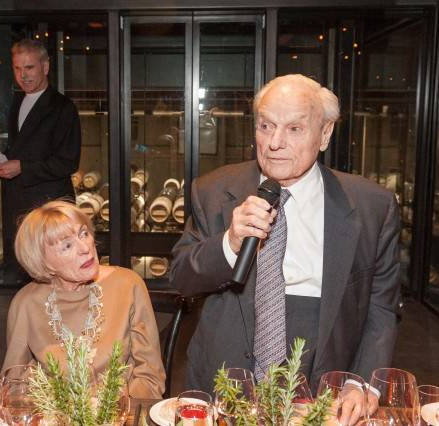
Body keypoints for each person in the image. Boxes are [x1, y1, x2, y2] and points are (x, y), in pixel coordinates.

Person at [170, 74, 400, 422]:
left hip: (324, 389)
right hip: (225, 385)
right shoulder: (214, 191)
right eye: (266, 126)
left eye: (294, 129)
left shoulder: (372, 207)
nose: (275, 142)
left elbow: (381, 308)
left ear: (325, 134)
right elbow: (182, 278)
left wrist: (363, 384)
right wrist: (229, 244)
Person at [2, 200, 165, 399]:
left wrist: (110, 413)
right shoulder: (26, 303)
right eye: (67, 245)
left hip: (119, 415)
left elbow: (150, 377)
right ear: (44, 263)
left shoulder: (127, 285)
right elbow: (14, 386)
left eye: (83, 234)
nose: (85, 248)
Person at [0, 39, 81, 286]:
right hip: (17, 205)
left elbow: (68, 162)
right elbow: (19, 150)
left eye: (29, 68)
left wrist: (22, 168)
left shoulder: (63, 107)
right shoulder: (17, 102)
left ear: (45, 67)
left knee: (55, 279)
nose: (22, 75)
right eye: (17, 69)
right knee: (24, 279)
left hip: (48, 207)